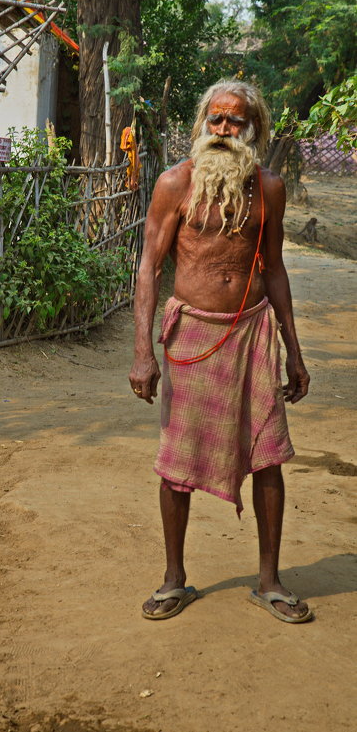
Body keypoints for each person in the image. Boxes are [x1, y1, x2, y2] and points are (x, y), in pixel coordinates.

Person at [129, 80, 312, 624]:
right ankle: (173, 580)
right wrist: (143, 351)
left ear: (253, 129)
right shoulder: (174, 183)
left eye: (235, 122)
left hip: (254, 333)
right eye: (216, 120)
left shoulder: (267, 188)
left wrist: (294, 351)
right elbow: (149, 268)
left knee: (269, 454)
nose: (224, 131)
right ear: (202, 123)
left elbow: (274, 268)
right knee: (176, 462)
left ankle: (269, 581)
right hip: (193, 337)